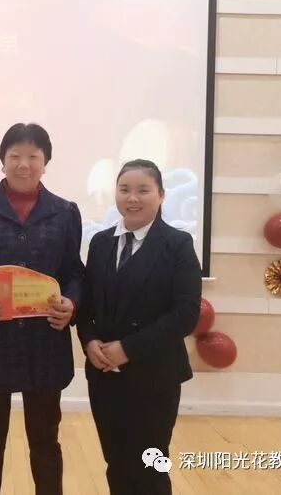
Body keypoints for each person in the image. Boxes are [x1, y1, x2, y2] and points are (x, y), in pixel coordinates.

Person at [0, 123, 85, 495]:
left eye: (33, 156)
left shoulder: (65, 212)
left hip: (44, 343)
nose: (24, 164)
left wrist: (71, 303)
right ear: (3, 160)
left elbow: (74, 273)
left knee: (45, 441)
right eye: (15, 156)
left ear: (45, 162)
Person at [77, 159, 201, 495]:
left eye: (143, 190)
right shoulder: (101, 243)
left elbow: (185, 314)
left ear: (161, 195)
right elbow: (86, 307)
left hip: (154, 376)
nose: (132, 198)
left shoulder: (177, 244)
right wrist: (90, 342)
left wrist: (127, 349)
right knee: (116, 463)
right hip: (104, 376)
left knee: (149, 467)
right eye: (125, 190)